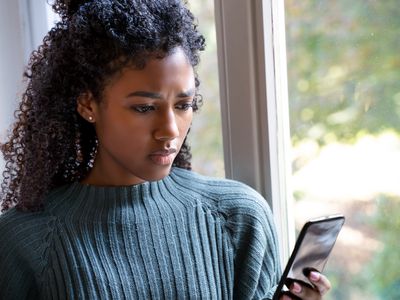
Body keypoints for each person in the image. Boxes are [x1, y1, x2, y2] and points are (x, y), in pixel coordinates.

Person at [0, 0, 331, 299]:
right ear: (89, 104)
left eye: (184, 104)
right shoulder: (23, 241)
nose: (171, 130)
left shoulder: (238, 218)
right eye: (144, 108)